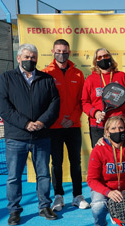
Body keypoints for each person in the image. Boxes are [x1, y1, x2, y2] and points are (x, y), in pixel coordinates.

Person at [0, 43, 60, 225]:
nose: (30, 60)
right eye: (26, 57)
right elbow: (3, 107)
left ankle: (44, 207)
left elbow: (54, 104)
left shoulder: (46, 79)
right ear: (18, 58)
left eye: (33, 57)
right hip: (16, 137)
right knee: (14, 176)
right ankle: (14, 211)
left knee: (43, 175)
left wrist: (41, 122)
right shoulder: (6, 78)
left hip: (41, 137)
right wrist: (25, 124)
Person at [42, 39, 89, 212]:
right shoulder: (46, 73)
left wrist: (73, 117)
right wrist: (58, 119)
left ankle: (77, 195)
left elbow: (82, 101)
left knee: (75, 162)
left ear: (69, 52)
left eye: (65, 51)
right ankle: (58, 196)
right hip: (54, 127)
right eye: (58, 50)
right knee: (56, 163)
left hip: (73, 125)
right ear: (53, 51)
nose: (61, 54)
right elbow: (45, 101)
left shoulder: (78, 74)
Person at [82, 48, 125, 147]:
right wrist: (95, 112)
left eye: (106, 56)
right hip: (99, 126)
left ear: (110, 58)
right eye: (100, 57)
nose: (103, 59)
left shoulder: (122, 76)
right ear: (95, 61)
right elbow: (84, 102)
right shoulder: (90, 79)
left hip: (120, 125)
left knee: (121, 156)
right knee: (101, 157)